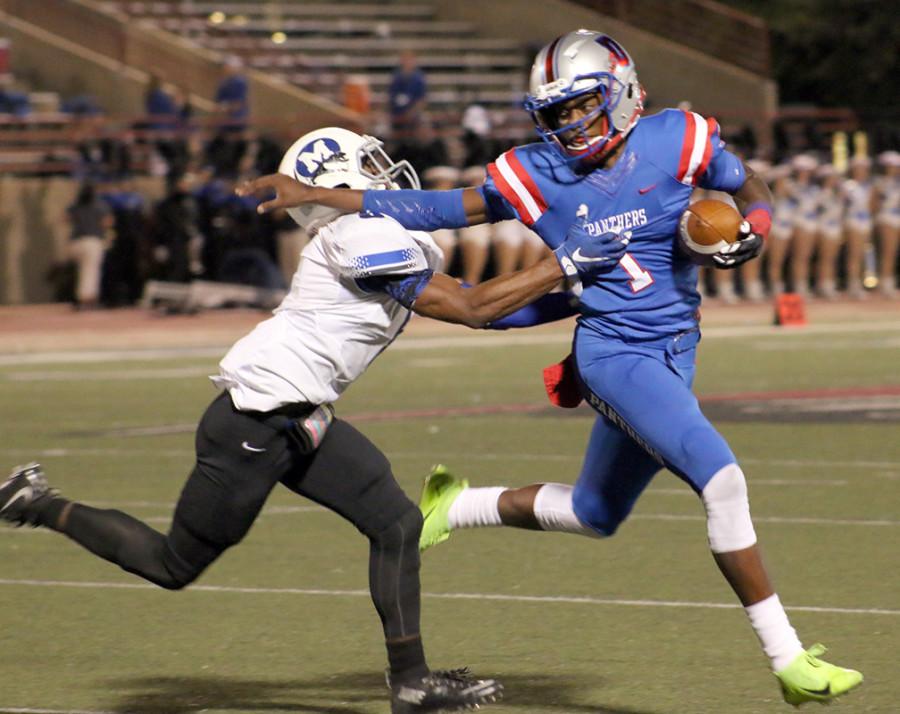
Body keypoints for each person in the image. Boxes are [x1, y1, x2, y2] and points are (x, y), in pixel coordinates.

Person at [233, 29, 865, 708]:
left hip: (676, 349)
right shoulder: (534, 172)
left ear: (621, 91)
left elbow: (748, 183)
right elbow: (442, 210)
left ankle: (457, 504)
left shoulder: (677, 137)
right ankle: (790, 660)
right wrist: (329, 197)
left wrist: (754, 231)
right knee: (724, 479)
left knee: (595, 512)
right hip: (616, 355)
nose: (569, 123)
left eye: (579, 105)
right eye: (556, 112)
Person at [1, 127, 625, 713]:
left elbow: (495, 308)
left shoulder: (375, 232)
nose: (383, 174)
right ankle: (36, 502)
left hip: (301, 414)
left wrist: (580, 293)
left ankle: (411, 685)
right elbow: (469, 308)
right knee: (173, 565)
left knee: (398, 522)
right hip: (257, 421)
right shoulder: (356, 236)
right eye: (369, 165)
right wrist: (566, 264)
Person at [65, 180, 114, 309]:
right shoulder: (99, 205)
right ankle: (86, 300)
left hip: (75, 241)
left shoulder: (75, 205)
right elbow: (108, 222)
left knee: (82, 271)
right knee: (91, 271)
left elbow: (65, 218)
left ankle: (81, 298)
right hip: (92, 241)